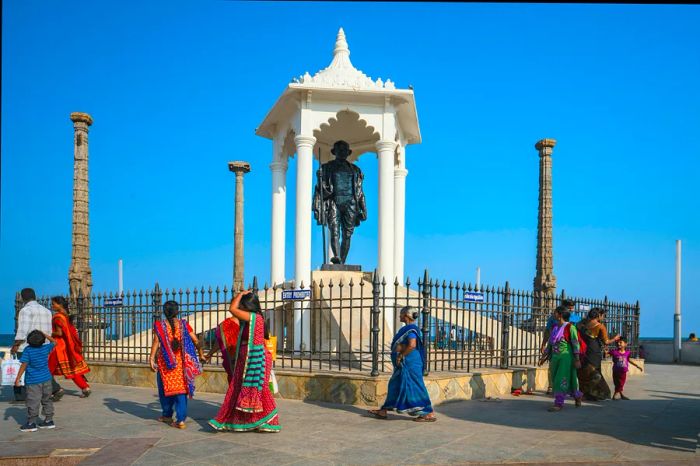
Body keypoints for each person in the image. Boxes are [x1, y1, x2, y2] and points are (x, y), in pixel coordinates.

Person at [209, 291, 280, 432]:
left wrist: (240, 294)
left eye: (241, 304)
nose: (239, 307)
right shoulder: (249, 320)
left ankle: (271, 422)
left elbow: (232, 309)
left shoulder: (254, 317)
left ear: (247, 305)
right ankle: (246, 420)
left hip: (255, 359)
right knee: (240, 388)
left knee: (261, 390)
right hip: (245, 358)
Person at [368, 306, 436, 422]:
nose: (399, 316)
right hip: (404, 364)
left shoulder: (411, 329)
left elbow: (412, 345)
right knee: (394, 385)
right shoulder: (408, 328)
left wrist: (401, 355)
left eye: (401, 314)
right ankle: (384, 410)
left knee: (416, 385)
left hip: (409, 363)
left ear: (406, 316)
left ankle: (428, 412)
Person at [149, 300, 204, 429]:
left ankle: (167, 415)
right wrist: (201, 354)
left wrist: (151, 358)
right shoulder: (184, 325)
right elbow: (196, 340)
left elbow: (156, 342)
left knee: (164, 389)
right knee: (181, 390)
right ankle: (181, 420)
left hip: (165, 363)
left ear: (164, 312)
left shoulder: (159, 325)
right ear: (177, 312)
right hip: (181, 363)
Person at [312, 140, 368, 264]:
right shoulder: (327, 168)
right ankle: (336, 256)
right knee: (334, 230)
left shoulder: (355, 170)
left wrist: (364, 208)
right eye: (339, 150)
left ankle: (342, 261)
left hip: (351, 203)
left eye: (344, 150)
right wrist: (320, 178)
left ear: (348, 153)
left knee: (347, 235)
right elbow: (321, 189)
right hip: (334, 202)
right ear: (334, 152)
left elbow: (359, 191)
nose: (342, 152)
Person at [11, 288, 63, 402]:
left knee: (26, 369)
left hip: (27, 347)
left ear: (23, 298)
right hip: (43, 346)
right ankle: (55, 389)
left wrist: (16, 345)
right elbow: (49, 331)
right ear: (34, 296)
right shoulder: (47, 311)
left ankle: (25, 394)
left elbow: (22, 331)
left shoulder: (25, 310)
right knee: (42, 367)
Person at [14, 330, 57, 432]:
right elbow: (55, 342)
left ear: (29, 341)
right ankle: (49, 420)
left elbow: (23, 365)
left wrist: (17, 379)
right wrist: (45, 335)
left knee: (33, 402)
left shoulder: (28, 350)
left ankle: (31, 423)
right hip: (47, 379)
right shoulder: (45, 348)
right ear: (42, 341)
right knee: (47, 400)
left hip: (33, 381)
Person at [48, 297, 91, 397]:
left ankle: (54, 390)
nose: (52, 306)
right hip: (67, 346)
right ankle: (85, 388)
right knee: (72, 369)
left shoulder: (58, 317)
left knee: (47, 369)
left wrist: (48, 333)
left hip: (58, 346)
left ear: (60, 304)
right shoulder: (65, 315)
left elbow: (59, 333)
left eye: (54, 304)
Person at [544, 306, 583, 412]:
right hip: (555, 358)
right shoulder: (555, 327)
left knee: (560, 379)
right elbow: (551, 343)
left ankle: (558, 403)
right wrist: (545, 355)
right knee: (558, 378)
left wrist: (577, 359)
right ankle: (577, 395)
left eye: (555, 312)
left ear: (560, 314)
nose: (553, 314)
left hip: (566, 358)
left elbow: (575, 344)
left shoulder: (570, 327)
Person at [577, 308, 620, 401]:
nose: (603, 317)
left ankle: (589, 394)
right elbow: (606, 342)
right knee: (596, 373)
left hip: (585, 351)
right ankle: (587, 393)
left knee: (586, 372)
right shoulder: (600, 326)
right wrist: (615, 338)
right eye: (602, 315)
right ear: (598, 315)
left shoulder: (582, 325)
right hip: (594, 352)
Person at [540, 299, 575, 395]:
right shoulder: (554, 324)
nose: (571, 311)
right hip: (555, 353)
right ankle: (553, 387)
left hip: (567, 354)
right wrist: (544, 347)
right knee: (553, 372)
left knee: (564, 375)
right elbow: (549, 336)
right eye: (569, 308)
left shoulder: (573, 323)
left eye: (572, 309)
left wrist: (577, 357)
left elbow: (576, 341)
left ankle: (562, 396)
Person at [203, 314, 240, 383]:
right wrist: (210, 353)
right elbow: (219, 341)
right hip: (238, 360)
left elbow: (219, 341)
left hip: (236, 359)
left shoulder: (224, 325)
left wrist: (210, 353)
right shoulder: (226, 325)